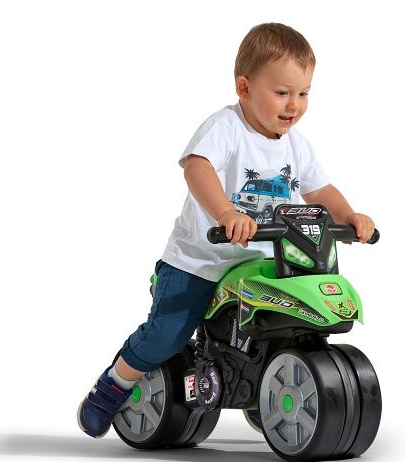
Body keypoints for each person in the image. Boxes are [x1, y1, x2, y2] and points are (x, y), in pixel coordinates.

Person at [78, 22, 375, 438]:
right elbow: (197, 167)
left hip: (261, 260)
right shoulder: (227, 128)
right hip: (201, 261)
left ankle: (265, 376)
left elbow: (320, 190)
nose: (294, 105)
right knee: (167, 335)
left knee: (291, 316)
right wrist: (225, 213)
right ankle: (115, 385)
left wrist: (349, 215)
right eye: (282, 92)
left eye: (304, 93)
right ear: (244, 87)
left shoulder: (297, 146)